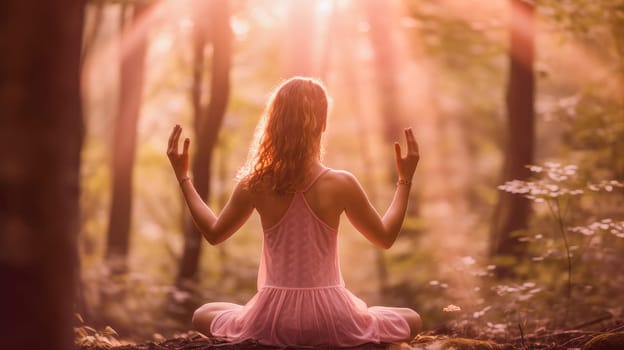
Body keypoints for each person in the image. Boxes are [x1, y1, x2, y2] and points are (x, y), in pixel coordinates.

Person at [166, 77, 421, 347]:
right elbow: (385, 237)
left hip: (273, 318)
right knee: (411, 318)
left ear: (274, 123)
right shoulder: (341, 183)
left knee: (203, 314)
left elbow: (214, 232)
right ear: (322, 124)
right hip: (332, 317)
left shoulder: (256, 183)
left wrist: (184, 177)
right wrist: (405, 180)